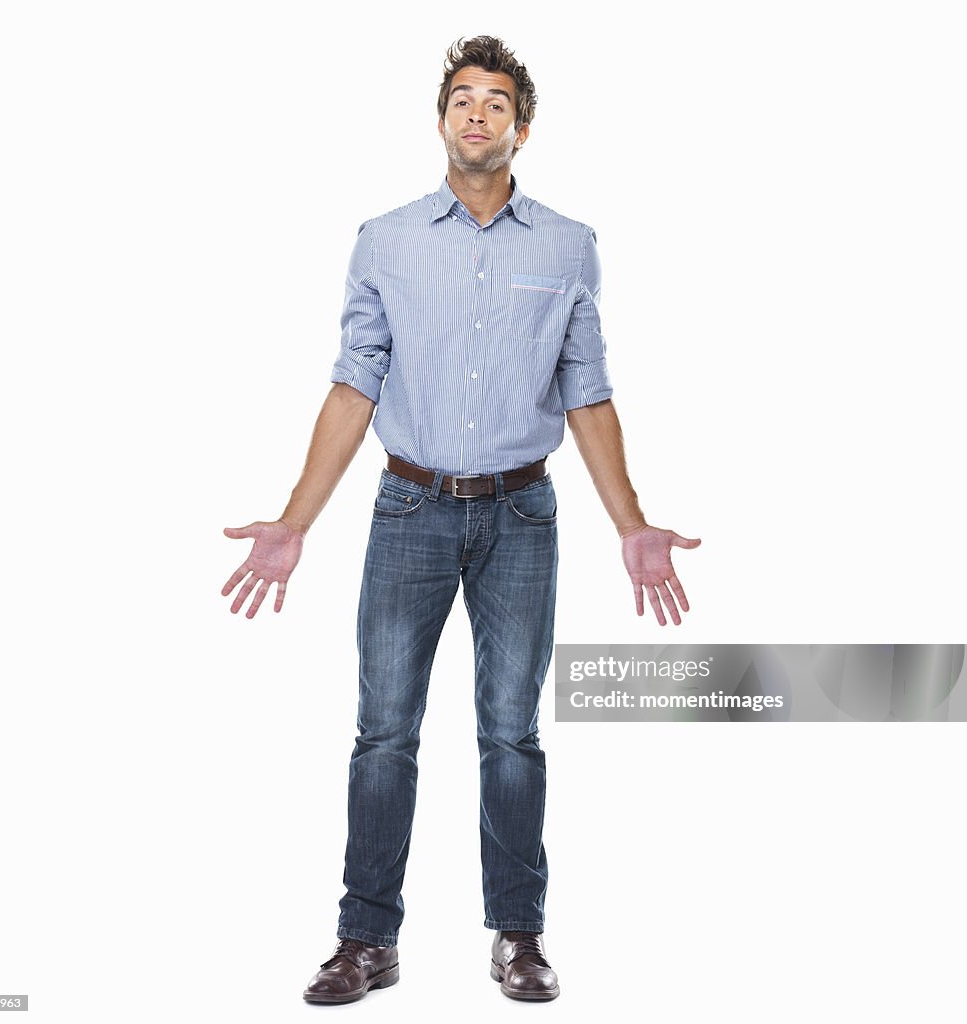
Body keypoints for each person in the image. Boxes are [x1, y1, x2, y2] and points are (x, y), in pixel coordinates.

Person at [221, 34, 701, 1004]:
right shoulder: (385, 240)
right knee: (384, 733)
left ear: (522, 127)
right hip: (409, 510)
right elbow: (353, 387)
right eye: (460, 100)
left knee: (511, 736)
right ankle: (366, 941)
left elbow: (588, 391)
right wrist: (294, 520)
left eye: (495, 102)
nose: (476, 113)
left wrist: (630, 523)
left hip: (523, 512)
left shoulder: (568, 245)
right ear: (441, 119)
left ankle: (517, 937)